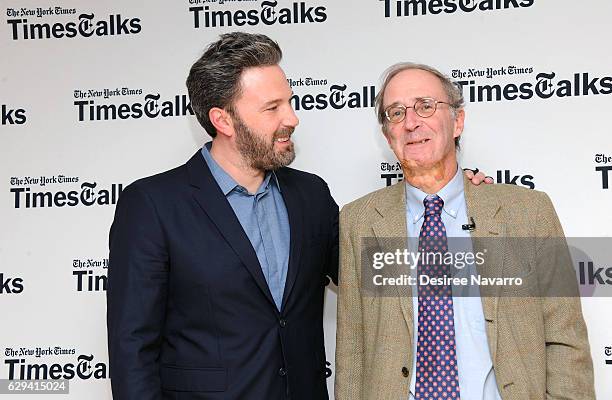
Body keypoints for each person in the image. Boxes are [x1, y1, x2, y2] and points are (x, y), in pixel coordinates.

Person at [335, 62, 595, 399]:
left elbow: (565, 340)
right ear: (388, 136)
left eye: (425, 106)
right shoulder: (358, 221)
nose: (412, 122)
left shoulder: (527, 213)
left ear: (457, 121)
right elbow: (352, 352)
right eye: (396, 113)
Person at [106, 32, 338, 400]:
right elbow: (132, 347)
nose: (292, 118)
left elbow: (372, 274)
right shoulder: (152, 205)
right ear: (223, 120)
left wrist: (453, 199)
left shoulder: (311, 194)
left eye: (290, 103)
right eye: (272, 107)